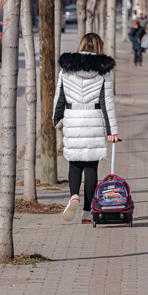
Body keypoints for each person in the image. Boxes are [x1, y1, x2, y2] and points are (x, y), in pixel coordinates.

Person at [52, 33, 119, 224]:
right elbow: (107, 102)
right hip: (95, 120)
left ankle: (74, 196)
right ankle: (87, 212)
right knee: (91, 167)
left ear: (81, 45)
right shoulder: (103, 70)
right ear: (99, 47)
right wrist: (112, 131)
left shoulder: (66, 69)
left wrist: (57, 121)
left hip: (72, 118)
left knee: (74, 164)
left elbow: (60, 98)